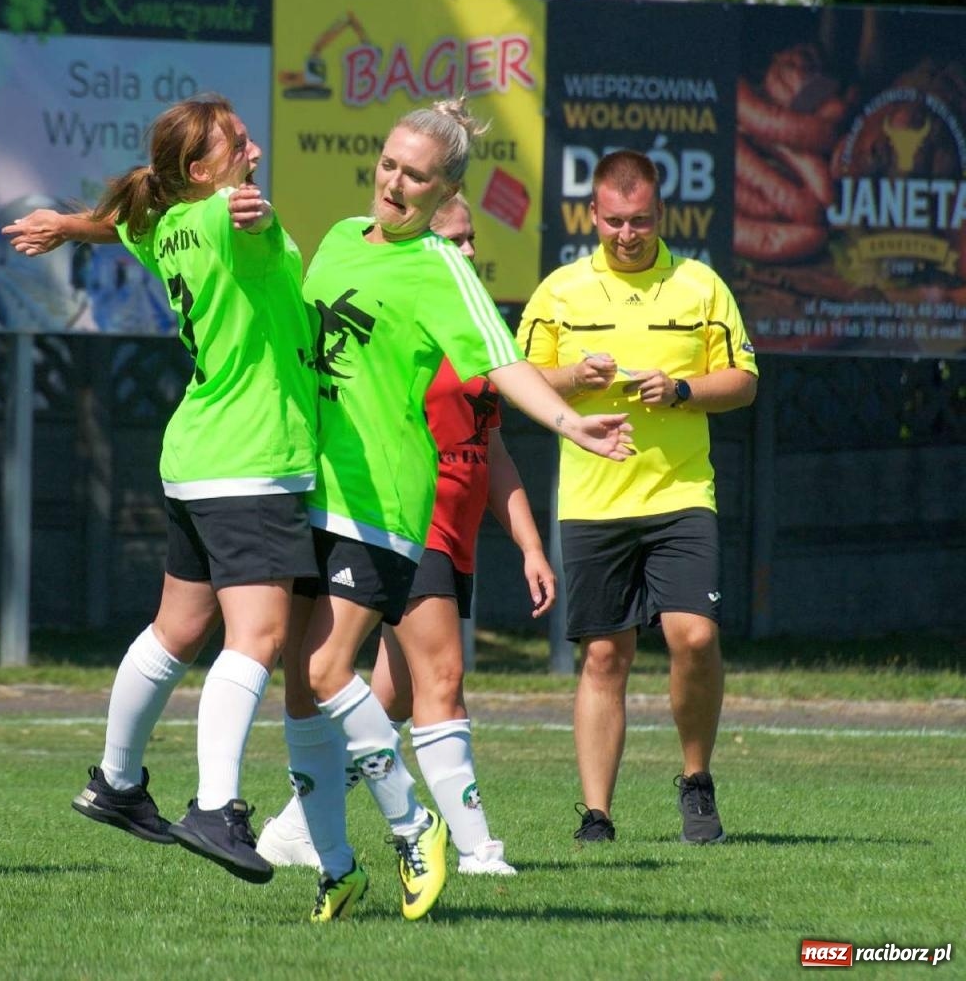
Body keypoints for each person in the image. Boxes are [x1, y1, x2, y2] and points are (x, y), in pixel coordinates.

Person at [281, 101, 635, 923]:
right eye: (389, 164)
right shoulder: (337, 239)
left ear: (444, 190)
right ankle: (334, 866)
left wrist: (570, 422)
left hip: (379, 499)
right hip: (310, 489)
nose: (393, 183)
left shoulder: (441, 266)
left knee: (332, 672)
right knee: (300, 689)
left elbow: (504, 364)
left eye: (415, 175)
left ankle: (416, 826)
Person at [1, 94, 316, 885]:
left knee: (177, 631)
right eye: (237, 146)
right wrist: (247, 212)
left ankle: (116, 781)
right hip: (251, 458)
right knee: (258, 639)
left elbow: (129, 223)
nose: (253, 151)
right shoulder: (227, 218)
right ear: (201, 171)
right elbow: (238, 220)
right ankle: (214, 807)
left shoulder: (165, 224)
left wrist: (70, 225)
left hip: (198, 455)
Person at [256, 193, 552, 880]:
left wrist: (532, 545)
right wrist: (567, 399)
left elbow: (493, 442)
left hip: (450, 532)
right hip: (407, 520)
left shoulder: (465, 320)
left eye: (471, 238)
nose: (467, 250)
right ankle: (470, 847)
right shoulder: (409, 316)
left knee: (393, 695)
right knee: (428, 677)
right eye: (455, 237)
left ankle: (297, 826)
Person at [515, 149, 757, 845]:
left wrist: (681, 389)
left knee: (697, 636)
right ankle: (597, 815)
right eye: (615, 221)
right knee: (604, 657)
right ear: (592, 215)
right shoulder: (560, 291)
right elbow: (515, 376)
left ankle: (696, 780)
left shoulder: (700, 286)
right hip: (594, 501)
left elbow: (743, 381)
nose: (628, 234)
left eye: (642, 221)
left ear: (662, 215)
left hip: (681, 493)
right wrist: (573, 377)